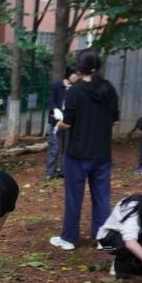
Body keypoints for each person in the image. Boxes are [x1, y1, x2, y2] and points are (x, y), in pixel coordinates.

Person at [50, 48, 120, 251]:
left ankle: (69, 239)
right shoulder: (109, 89)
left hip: (77, 155)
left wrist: (58, 123)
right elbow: (114, 119)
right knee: (102, 198)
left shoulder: (74, 91)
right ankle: (102, 239)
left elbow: (67, 123)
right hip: (102, 154)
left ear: (79, 68)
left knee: (74, 198)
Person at [45, 66, 77, 180]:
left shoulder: (76, 88)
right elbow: (51, 101)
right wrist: (55, 110)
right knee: (55, 147)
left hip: (69, 122)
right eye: (75, 75)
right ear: (68, 74)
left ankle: (64, 170)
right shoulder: (57, 86)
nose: (76, 77)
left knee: (67, 147)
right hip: (56, 122)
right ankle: (50, 173)